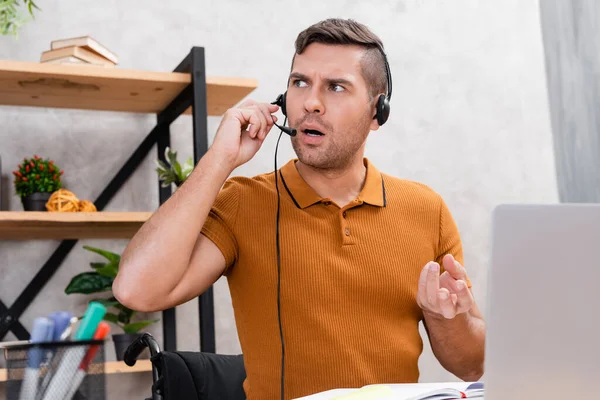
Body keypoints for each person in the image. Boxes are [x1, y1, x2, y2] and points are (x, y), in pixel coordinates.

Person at [114, 18, 485, 400]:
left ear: (378, 111)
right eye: (300, 82)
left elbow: (472, 366)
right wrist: (219, 160)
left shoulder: (426, 208)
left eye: (336, 87)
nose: (311, 102)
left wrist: (447, 318)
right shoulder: (243, 202)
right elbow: (136, 291)